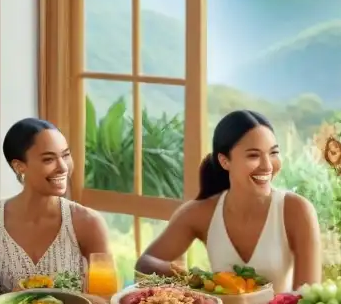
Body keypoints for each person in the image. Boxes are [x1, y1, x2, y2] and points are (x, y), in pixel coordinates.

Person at [135, 110, 321, 292]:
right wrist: (194, 279)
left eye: (273, 153)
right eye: (254, 155)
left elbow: (308, 296)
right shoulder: (202, 213)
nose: (267, 165)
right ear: (225, 161)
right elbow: (145, 263)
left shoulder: (296, 210)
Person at [0, 118, 110, 294]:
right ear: (19, 166)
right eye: (48, 159)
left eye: (66, 155)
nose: (63, 167)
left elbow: (105, 303)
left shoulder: (88, 223)